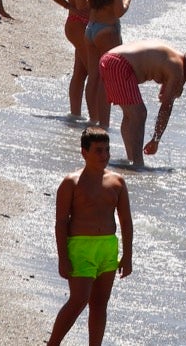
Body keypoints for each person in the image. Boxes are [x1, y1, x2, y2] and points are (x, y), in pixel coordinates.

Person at [46, 127, 133, 346]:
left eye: (107, 150)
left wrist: (128, 256)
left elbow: (126, 221)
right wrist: (63, 258)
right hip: (80, 247)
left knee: (100, 304)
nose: (104, 155)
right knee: (79, 300)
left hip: (108, 248)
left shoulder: (117, 182)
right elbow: (61, 223)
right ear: (84, 152)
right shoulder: (71, 182)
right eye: (98, 151)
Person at [95, 41, 186, 167]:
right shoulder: (177, 67)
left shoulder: (173, 57)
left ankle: (131, 159)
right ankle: (138, 163)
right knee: (139, 114)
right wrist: (156, 139)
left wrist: (172, 88)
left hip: (109, 59)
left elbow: (164, 92)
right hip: (118, 64)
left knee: (130, 116)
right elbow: (166, 108)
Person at [43, 0, 104, 118]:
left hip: (86, 26)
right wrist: (69, 6)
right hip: (76, 26)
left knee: (81, 73)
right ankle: (95, 118)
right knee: (95, 73)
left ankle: (75, 115)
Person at [82, 0, 136, 128]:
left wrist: (95, 1)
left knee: (93, 76)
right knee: (106, 78)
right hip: (107, 30)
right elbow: (119, 11)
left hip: (90, 29)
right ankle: (103, 124)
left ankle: (92, 118)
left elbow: (81, 3)